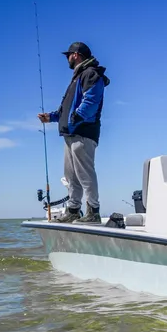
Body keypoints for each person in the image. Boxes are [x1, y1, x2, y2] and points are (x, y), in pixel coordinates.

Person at [38, 42, 110, 224]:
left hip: (83, 133)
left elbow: (90, 102)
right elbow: (67, 108)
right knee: (71, 176)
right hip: (71, 134)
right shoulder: (78, 77)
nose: (67, 59)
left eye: (68, 55)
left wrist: (73, 120)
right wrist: (51, 117)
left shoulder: (91, 74)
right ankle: (73, 211)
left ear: (76, 55)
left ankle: (93, 211)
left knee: (85, 174)